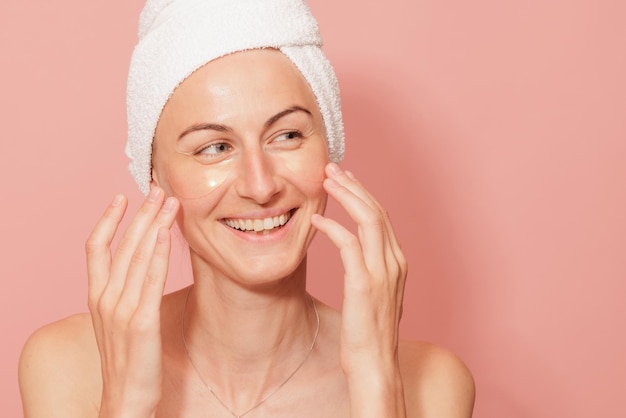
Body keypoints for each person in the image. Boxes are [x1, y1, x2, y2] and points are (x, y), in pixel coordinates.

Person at [19, 0, 474, 417]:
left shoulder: (431, 385)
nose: (261, 186)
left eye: (288, 136)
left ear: (329, 148)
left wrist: (378, 387)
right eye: (214, 147)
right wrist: (125, 403)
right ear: (156, 176)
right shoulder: (70, 365)